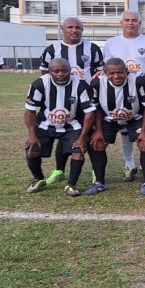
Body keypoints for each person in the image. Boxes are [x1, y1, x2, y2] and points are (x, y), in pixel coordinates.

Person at [39, 17, 105, 186]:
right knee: (62, 134)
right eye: (70, 27)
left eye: (77, 27)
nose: (74, 30)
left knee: (91, 135)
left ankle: (94, 171)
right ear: (63, 29)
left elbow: (100, 74)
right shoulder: (51, 49)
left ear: (82, 30)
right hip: (64, 101)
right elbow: (45, 76)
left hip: (88, 100)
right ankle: (59, 170)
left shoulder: (93, 48)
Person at [24, 58, 96, 197]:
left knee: (78, 149)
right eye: (56, 71)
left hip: (72, 125)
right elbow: (30, 110)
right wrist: (32, 135)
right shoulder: (39, 83)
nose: (60, 73)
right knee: (32, 148)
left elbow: (90, 113)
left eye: (64, 70)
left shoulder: (80, 84)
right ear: (49, 72)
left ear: (70, 71)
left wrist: (82, 137)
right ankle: (38, 179)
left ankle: (71, 184)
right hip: (46, 124)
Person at [103, 10, 145, 182]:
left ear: (139, 23)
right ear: (121, 23)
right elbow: (106, 69)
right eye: (127, 20)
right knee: (124, 130)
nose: (131, 23)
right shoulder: (111, 43)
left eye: (134, 20)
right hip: (119, 92)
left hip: (144, 91)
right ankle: (129, 164)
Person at [86, 58, 145, 195]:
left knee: (144, 142)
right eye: (112, 73)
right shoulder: (97, 83)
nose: (116, 76)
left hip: (135, 118)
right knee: (98, 144)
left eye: (120, 72)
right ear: (105, 73)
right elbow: (96, 108)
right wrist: (98, 130)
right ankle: (99, 183)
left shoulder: (138, 81)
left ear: (127, 71)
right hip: (108, 119)